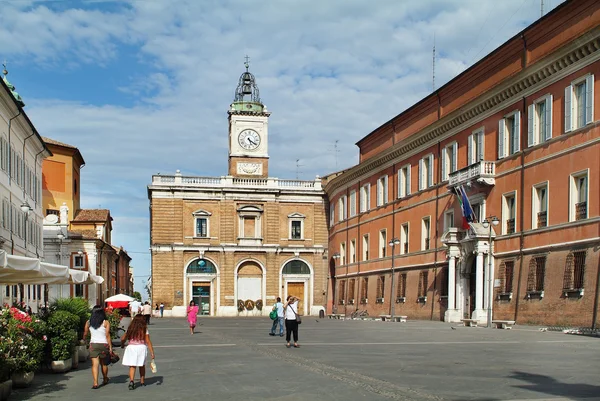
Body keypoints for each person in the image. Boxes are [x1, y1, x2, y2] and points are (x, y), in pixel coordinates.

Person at [121, 314, 155, 390]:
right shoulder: (144, 328)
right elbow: (148, 341)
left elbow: (123, 338)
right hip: (141, 347)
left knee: (132, 366)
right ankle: (142, 381)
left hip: (131, 347)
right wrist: (152, 352)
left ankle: (131, 381)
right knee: (141, 365)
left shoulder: (130, 328)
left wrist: (122, 344)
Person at [83, 305, 112, 389]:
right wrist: (110, 347)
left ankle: (95, 383)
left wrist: (84, 340)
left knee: (94, 364)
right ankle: (105, 378)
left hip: (93, 344)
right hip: (103, 344)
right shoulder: (105, 322)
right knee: (104, 363)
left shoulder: (88, 322)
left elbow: (85, 333)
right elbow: (107, 335)